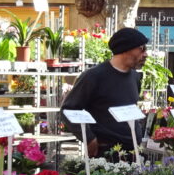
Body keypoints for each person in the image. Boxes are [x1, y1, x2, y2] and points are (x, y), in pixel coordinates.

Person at [59, 27, 148, 157]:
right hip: (105, 154)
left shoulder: (135, 77)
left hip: (133, 152)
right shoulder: (94, 76)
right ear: (125, 49)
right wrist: (89, 139)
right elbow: (69, 110)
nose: (145, 54)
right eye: (141, 49)